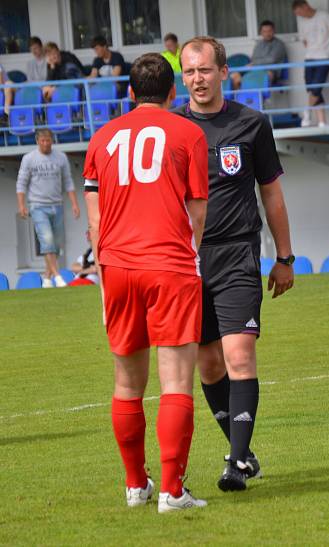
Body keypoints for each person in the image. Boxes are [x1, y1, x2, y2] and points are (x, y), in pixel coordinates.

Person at [83, 52, 209, 513]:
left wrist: (103, 274)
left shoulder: (101, 138)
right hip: (169, 266)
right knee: (176, 381)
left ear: (130, 93)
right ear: (174, 93)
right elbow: (197, 212)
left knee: (126, 382)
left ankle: (137, 485)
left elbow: (94, 222)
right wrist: (185, 254)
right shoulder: (189, 133)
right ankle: (173, 491)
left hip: (117, 269)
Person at [176, 36, 294, 492]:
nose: (197, 79)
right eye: (189, 72)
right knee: (208, 365)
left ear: (224, 72)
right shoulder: (172, 128)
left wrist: (285, 257)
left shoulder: (252, 124)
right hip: (188, 261)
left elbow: (272, 194)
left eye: (205, 70)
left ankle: (236, 463)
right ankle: (242, 451)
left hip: (238, 254)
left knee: (239, 355)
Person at [16, 128, 81, 288]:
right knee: (47, 241)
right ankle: (57, 276)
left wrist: (74, 203)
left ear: (52, 141)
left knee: (56, 245)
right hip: (38, 205)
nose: (45, 144)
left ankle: (46, 277)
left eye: (48, 141)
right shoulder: (29, 158)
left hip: (57, 204)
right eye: (42, 141)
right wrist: (22, 205)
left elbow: (68, 181)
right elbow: (21, 182)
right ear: (37, 141)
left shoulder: (61, 157)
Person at [292, 0, 329, 127]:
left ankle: (307, 111)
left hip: (324, 58)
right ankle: (322, 122)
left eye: (300, 12)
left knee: (316, 88)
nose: (300, 15)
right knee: (312, 90)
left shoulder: (323, 16)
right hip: (310, 58)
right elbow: (304, 41)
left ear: (305, 6)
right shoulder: (302, 22)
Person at [230, 20, 288, 89]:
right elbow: (254, 58)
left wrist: (255, 63)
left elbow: (271, 60)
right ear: (261, 32)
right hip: (255, 69)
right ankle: (240, 98)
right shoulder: (259, 44)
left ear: (273, 31)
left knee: (258, 79)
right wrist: (258, 62)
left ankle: (257, 98)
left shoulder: (279, 44)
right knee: (234, 76)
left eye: (269, 31)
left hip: (271, 72)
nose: (267, 33)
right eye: (264, 31)